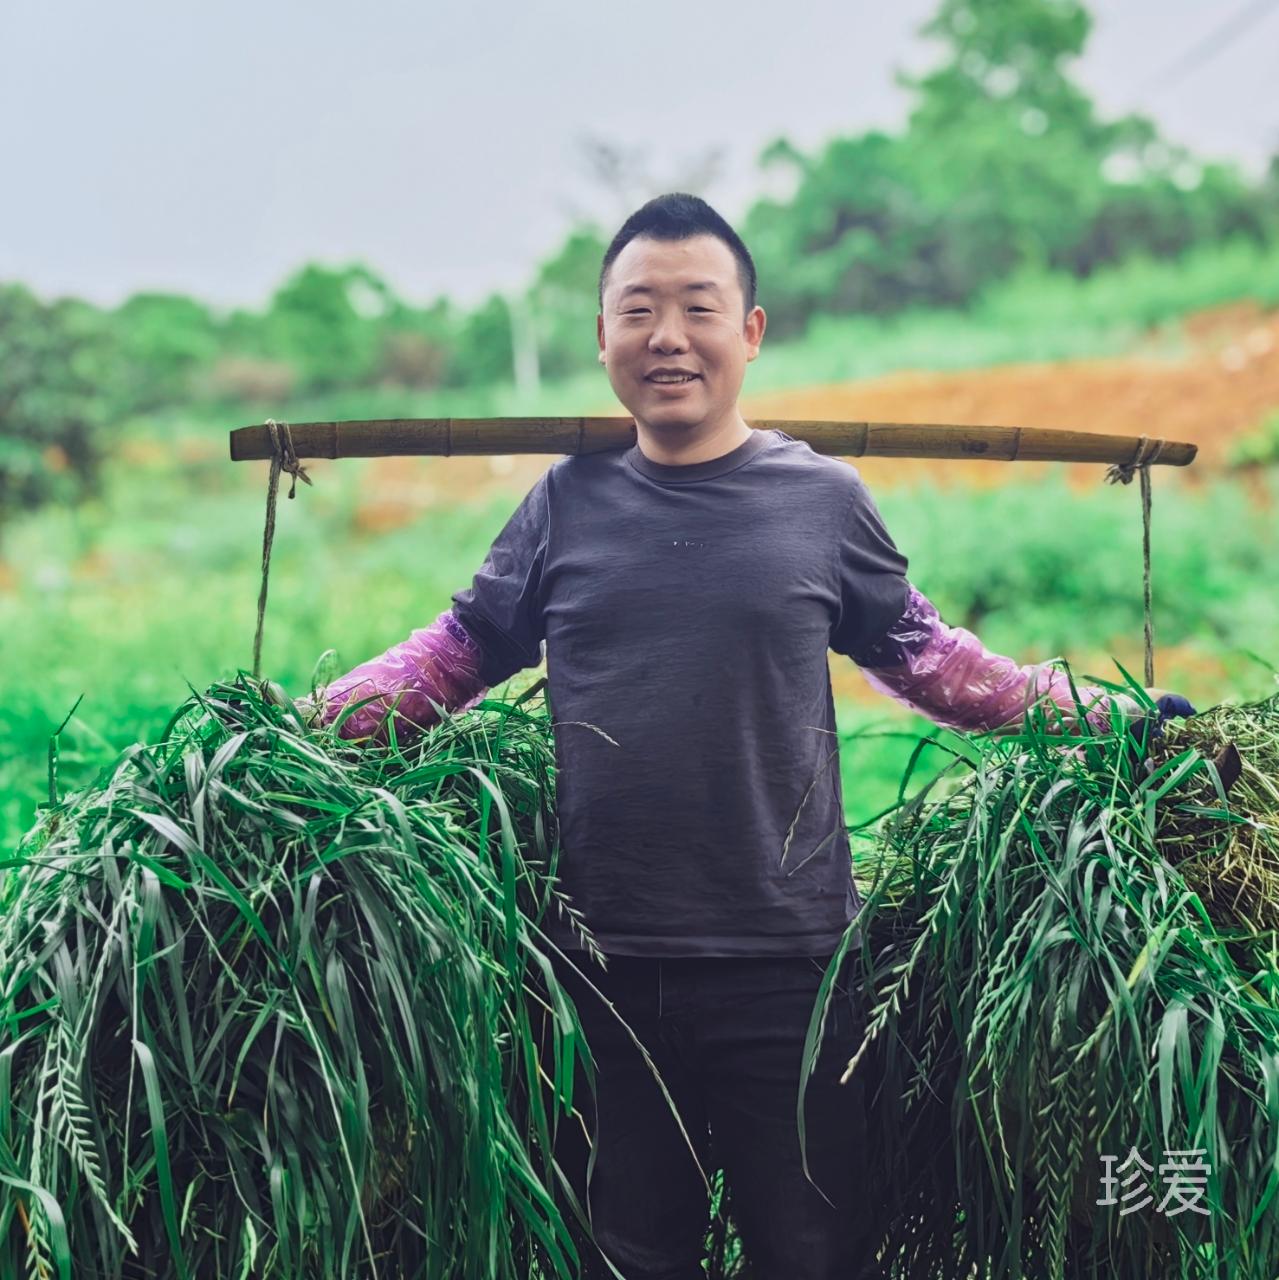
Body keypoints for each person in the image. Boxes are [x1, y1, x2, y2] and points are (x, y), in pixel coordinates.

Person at [301, 193, 1196, 1279]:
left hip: (797, 973)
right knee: (628, 1255)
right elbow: (450, 654)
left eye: (697, 307)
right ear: (602, 338)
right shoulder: (562, 506)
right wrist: (298, 733)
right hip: (603, 975)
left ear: (750, 331)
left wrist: (1109, 721)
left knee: (811, 1251)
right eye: (637, 310)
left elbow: (939, 663)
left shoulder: (820, 501)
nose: (666, 336)